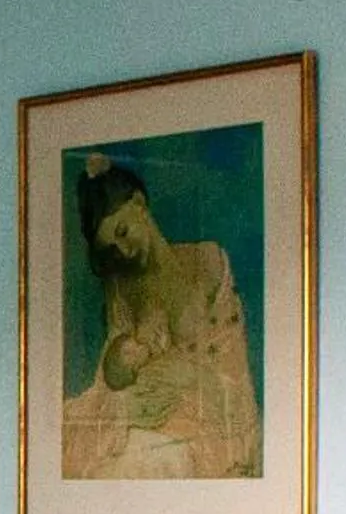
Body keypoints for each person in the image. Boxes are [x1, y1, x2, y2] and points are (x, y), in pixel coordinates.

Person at [61, 153, 261, 479]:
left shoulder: (207, 263)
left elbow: (231, 367)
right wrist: (131, 380)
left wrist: (180, 376)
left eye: (123, 232)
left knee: (144, 465)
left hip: (204, 417)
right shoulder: (122, 288)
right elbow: (114, 375)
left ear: (140, 203)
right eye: (112, 246)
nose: (123, 251)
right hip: (147, 413)